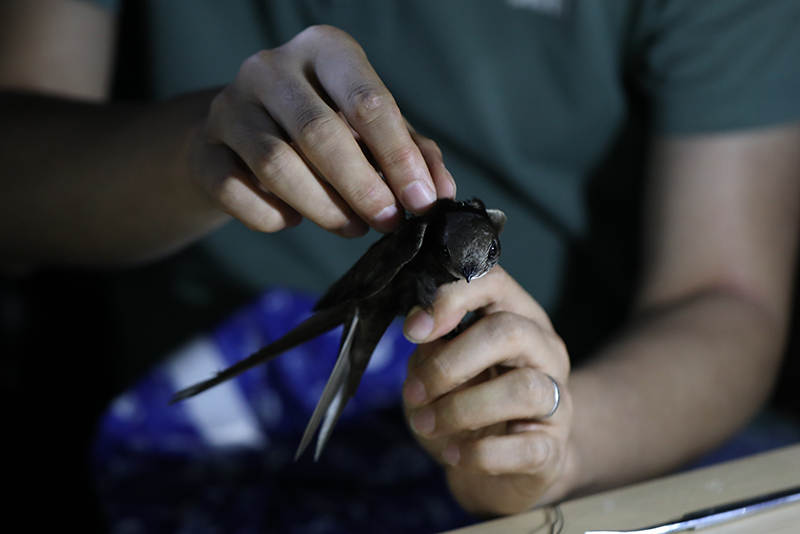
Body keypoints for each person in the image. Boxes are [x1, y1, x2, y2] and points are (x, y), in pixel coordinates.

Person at [2, 0, 800, 525]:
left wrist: (559, 436)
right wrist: (199, 150)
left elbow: (726, 296)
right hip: (200, 439)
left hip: (605, 409)